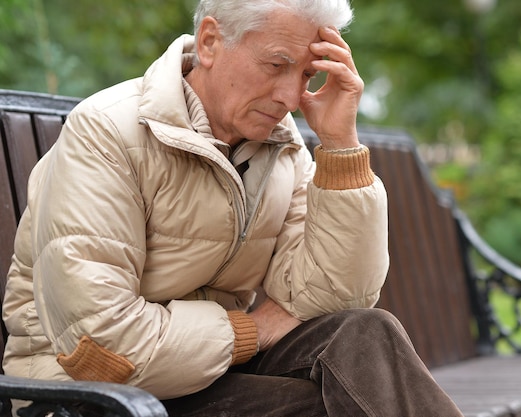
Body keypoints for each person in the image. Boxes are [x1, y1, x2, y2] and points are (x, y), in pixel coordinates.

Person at [2, 0, 463, 416]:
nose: (289, 98)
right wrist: (250, 331)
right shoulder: (106, 134)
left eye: (305, 74)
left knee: (363, 335)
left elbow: (336, 298)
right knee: (331, 406)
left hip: (206, 370)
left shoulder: (284, 152)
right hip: (85, 396)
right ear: (209, 42)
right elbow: (103, 346)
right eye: (276, 64)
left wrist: (340, 147)